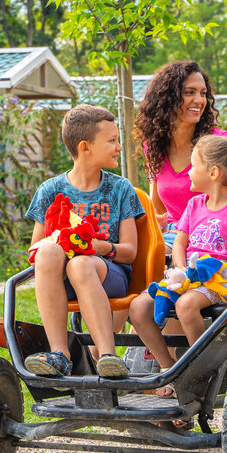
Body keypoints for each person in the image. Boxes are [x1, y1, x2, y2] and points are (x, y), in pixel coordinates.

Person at [130, 135, 227, 395]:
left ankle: (200, 369)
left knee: (186, 305)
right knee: (139, 307)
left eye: (193, 166)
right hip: (189, 274)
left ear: (213, 172)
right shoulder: (194, 205)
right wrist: (180, 267)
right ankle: (169, 368)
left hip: (219, 278)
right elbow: (180, 243)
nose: (188, 173)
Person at [24, 105, 144, 378]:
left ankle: (107, 355)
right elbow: (36, 248)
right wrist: (61, 242)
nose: (118, 147)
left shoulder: (119, 188)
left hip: (108, 273)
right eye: (112, 141)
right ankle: (59, 353)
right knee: (46, 253)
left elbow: (130, 252)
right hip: (62, 281)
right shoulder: (51, 190)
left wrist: (101, 248)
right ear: (85, 147)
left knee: (80, 266)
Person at [134, 60, 227, 245]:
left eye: (203, 93)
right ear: (167, 98)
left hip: (210, 235)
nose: (199, 100)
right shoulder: (154, 145)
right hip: (172, 235)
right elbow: (158, 207)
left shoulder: (218, 142)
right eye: (189, 92)